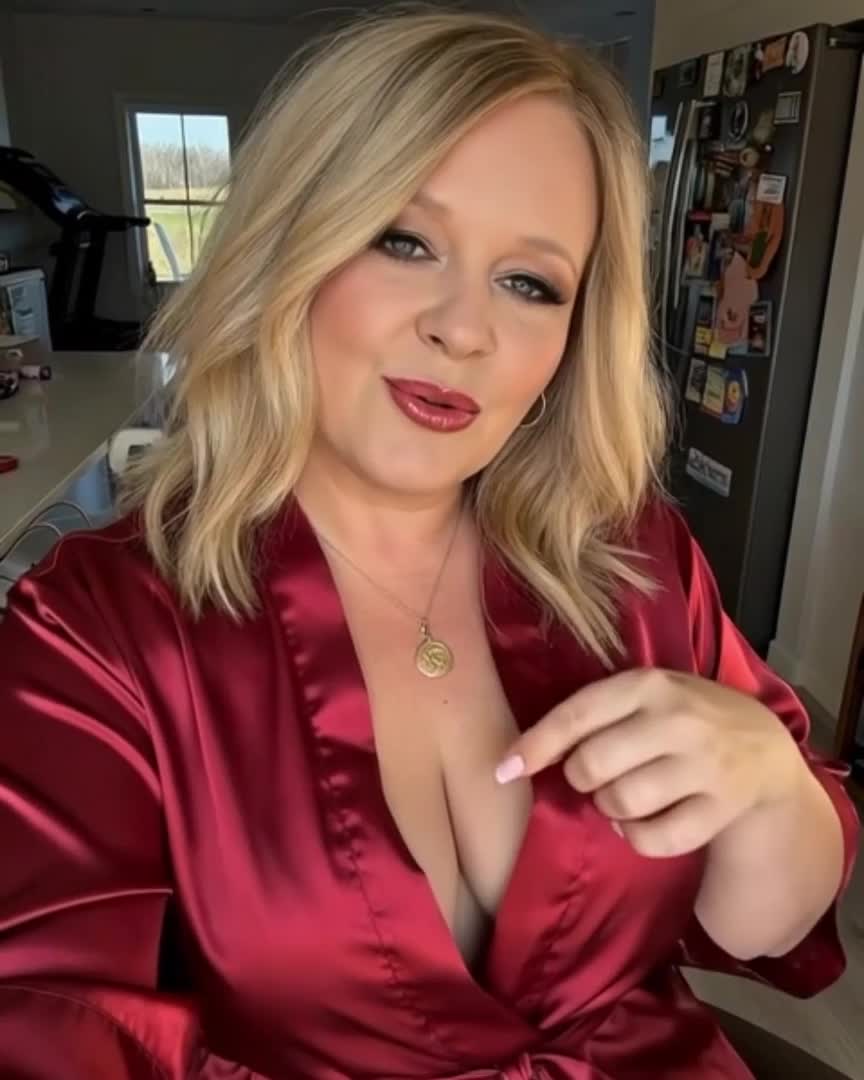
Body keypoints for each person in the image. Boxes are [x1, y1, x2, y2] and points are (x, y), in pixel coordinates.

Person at [0, 10, 857, 1079]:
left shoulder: (635, 562)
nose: (465, 330)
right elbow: (53, 1024)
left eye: (530, 283)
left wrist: (773, 787)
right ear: (289, 247)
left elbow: (763, 925)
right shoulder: (97, 630)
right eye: (405, 241)